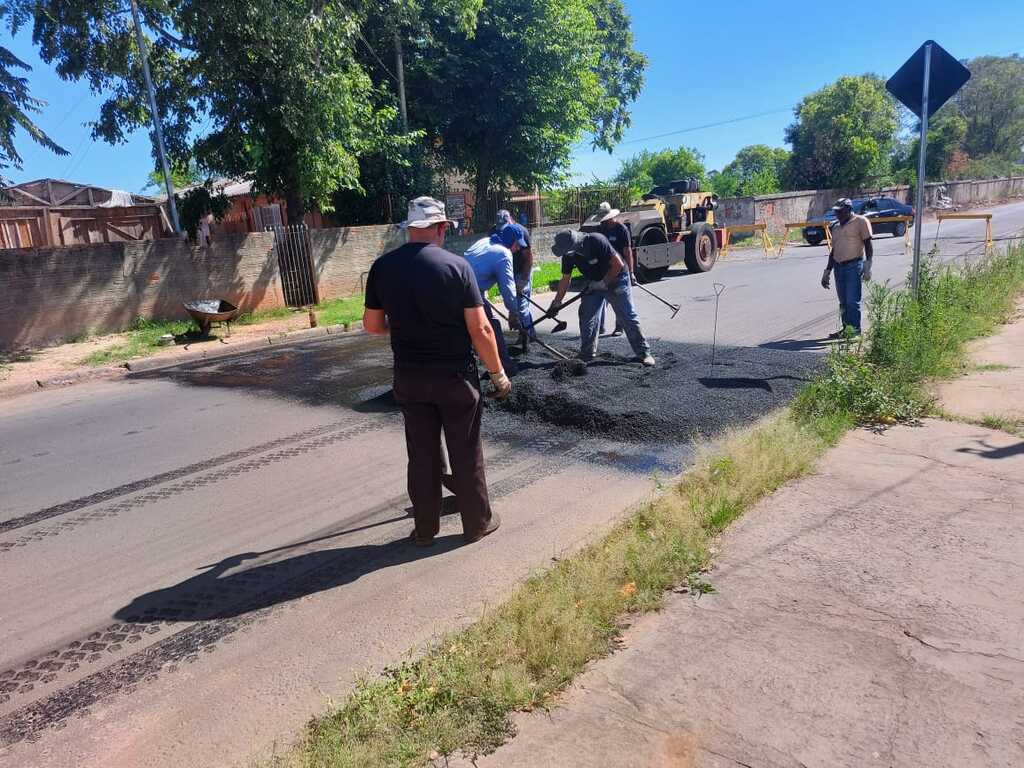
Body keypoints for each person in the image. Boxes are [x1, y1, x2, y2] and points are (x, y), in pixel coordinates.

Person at [363, 195, 507, 546]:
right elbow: (481, 329)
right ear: (442, 228)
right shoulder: (457, 267)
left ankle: (425, 529)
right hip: (454, 377)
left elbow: (372, 324)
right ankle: (476, 524)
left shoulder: (383, 268)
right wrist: (498, 373)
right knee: (466, 451)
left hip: (409, 378)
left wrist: (406, 329)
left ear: (410, 229)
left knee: (422, 455)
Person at [548, 228, 655, 366]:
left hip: (617, 278)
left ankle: (644, 353)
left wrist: (603, 283)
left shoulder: (596, 240)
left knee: (627, 316)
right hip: (594, 282)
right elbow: (565, 279)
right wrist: (557, 302)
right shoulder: (568, 255)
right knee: (586, 315)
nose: (567, 254)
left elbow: (618, 264)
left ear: (575, 245)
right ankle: (587, 353)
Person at [463, 223, 533, 372]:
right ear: (510, 241)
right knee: (492, 326)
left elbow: (471, 266)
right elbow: (507, 290)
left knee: (466, 329)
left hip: (460, 287)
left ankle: (471, 362)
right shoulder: (503, 253)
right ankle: (505, 366)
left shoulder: (484, 242)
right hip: (470, 293)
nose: (519, 248)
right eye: (517, 244)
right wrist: (513, 313)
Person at [820, 198, 873, 338]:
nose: (838, 214)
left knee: (852, 300)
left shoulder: (861, 222)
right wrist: (827, 272)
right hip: (839, 267)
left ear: (849, 210)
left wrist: (868, 266)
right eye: (836, 212)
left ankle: (855, 331)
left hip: (853, 265)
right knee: (843, 302)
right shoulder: (836, 227)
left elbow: (868, 244)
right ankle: (846, 329)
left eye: (841, 212)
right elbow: (833, 251)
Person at [594, 201, 635, 337]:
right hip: (605, 270)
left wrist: (631, 272)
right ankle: (600, 327)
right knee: (601, 299)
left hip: (621, 269)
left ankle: (619, 326)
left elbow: (627, 251)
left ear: (611, 217)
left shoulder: (621, 229)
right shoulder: (601, 229)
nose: (603, 222)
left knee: (620, 300)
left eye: (604, 220)